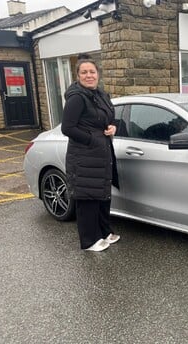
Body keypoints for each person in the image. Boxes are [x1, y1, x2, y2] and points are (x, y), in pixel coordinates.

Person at [61, 53, 120, 252]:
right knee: (88, 198)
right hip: (84, 156)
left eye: (92, 72)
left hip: (101, 155)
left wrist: (113, 127)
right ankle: (89, 241)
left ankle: (104, 232)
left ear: (98, 74)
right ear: (78, 76)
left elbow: (109, 118)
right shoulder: (77, 98)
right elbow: (67, 128)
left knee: (103, 195)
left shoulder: (101, 94)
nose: (89, 75)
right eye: (84, 72)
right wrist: (92, 139)